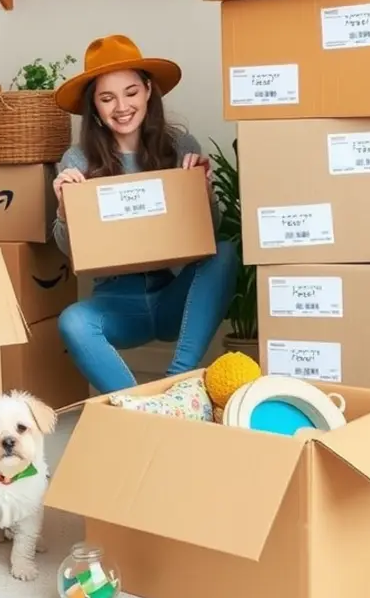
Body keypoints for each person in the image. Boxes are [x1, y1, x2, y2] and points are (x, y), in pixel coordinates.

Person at [51, 34, 238, 394]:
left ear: (149, 90)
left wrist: (205, 192)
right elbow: (68, 251)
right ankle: (139, 406)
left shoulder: (182, 147)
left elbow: (208, 236)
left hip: (171, 296)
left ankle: (177, 381)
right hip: (117, 305)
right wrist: (63, 208)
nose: (121, 106)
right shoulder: (77, 161)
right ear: (95, 107)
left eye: (131, 92)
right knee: (73, 321)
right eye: (107, 98)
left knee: (226, 251)